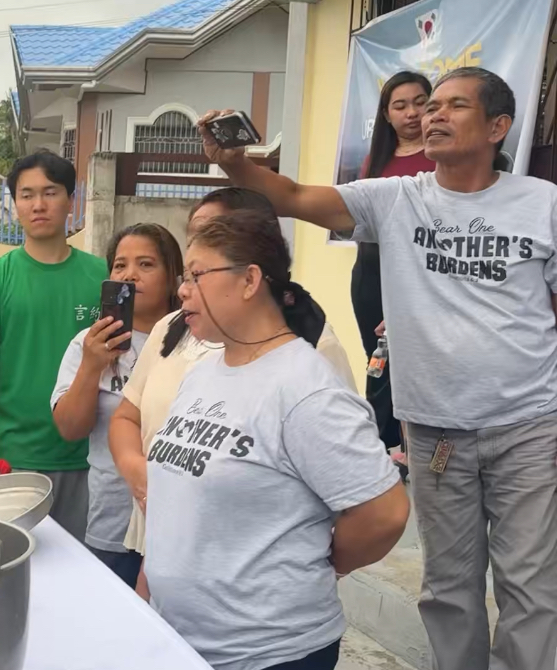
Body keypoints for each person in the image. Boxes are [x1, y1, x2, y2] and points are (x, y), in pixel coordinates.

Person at [201, 67, 557, 670]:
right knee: (449, 586)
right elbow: (289, 196)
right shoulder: (394, 199)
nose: (434, 115)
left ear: (498, 126)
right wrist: (234, 163)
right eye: (432, 105)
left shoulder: (542, 204)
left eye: (455, 105)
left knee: (532, 587)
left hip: (528, 425)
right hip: (436, 428)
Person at [143, 209, 409, 670]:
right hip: (179, 640)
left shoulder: (305, 389)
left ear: (249, 281)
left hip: (270, 653)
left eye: (198, 275)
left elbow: (383, 514)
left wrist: (324, 563)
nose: (183, 289)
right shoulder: (202, 373)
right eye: (185, 277)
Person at [109, 188, 358, 599]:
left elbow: (372, 509)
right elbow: (127, 417)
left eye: (214, 240)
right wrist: (144, 477)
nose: (187, 283)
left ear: (251, 273)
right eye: (193, 241)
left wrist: (312, 564)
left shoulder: (310, 353)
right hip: (162, 545)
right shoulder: (178, 335)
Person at [0, 150, 109, 541]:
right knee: (20, 567)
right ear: (15, 203)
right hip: (16, 458)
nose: (38, 205)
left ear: (71, 201)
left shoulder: (102, 276)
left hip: (90, 456)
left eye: (50, 192)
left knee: (84, 574)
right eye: (26, 195)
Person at [51, 223, 182, 587]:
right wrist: (92, 366)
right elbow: (70, 429)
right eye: (120, 266)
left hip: (180, 522)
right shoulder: (87, 343)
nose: (130, 275)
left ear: (174, 279)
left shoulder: (193, 340)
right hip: (112, 520)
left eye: (146, 264)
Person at [351, 71, 435, 467]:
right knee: (380, 360)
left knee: (418, 359)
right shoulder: (375, 161)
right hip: (372, 271)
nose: (412, 113)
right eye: (400, 105)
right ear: (386, 114)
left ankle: (419, 444)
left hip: (421, 270)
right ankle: (391, 446)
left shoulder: (441, 157)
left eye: (420, 102)